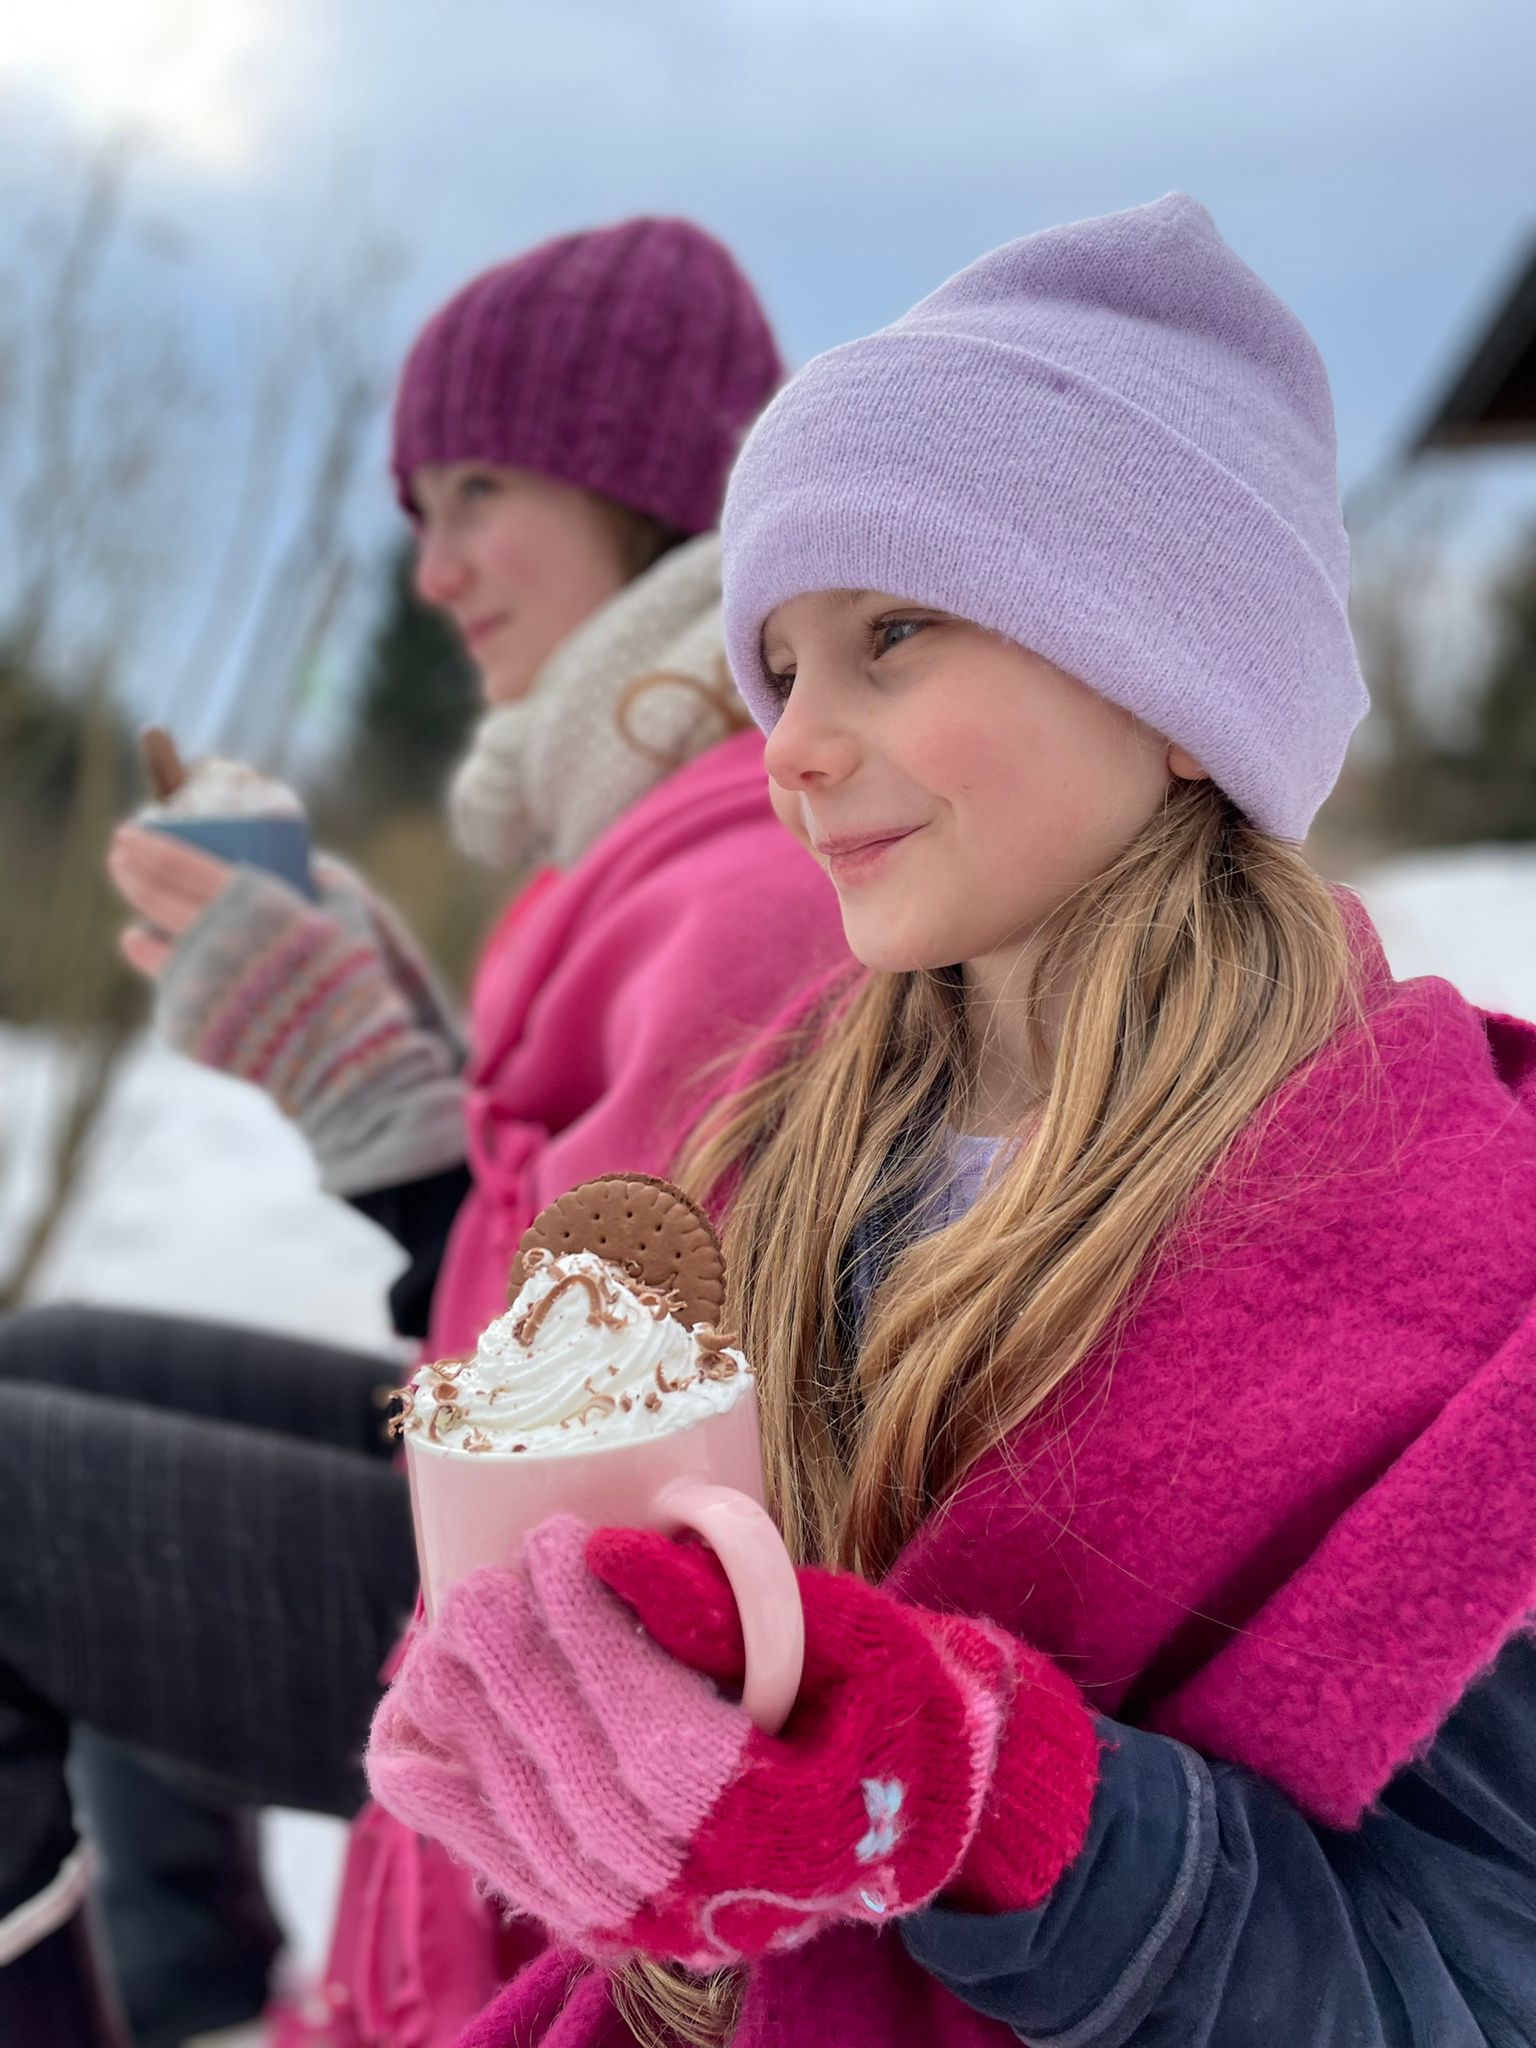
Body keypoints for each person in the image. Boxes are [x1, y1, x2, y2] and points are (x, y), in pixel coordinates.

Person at [365, 195, 1536, 2048]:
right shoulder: (784, 1149)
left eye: (893, 634)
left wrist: (995, 1808)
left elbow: (1472, 1977)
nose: (792, 742)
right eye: (785, 664)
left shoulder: (1464, 1270)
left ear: (1172, 691)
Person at [0, 216, 846, 2048]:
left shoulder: (741, 869)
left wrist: (388, 1130)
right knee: (47, 1357)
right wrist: (406, 1079)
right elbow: (567, 1241)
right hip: (540, 1534)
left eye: (479, 490)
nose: (439, 565)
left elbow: (628, 1438)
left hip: (603, 1651)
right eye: (416, 509)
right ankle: (205, 1997)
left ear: (648, 485)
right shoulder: (629, 830)